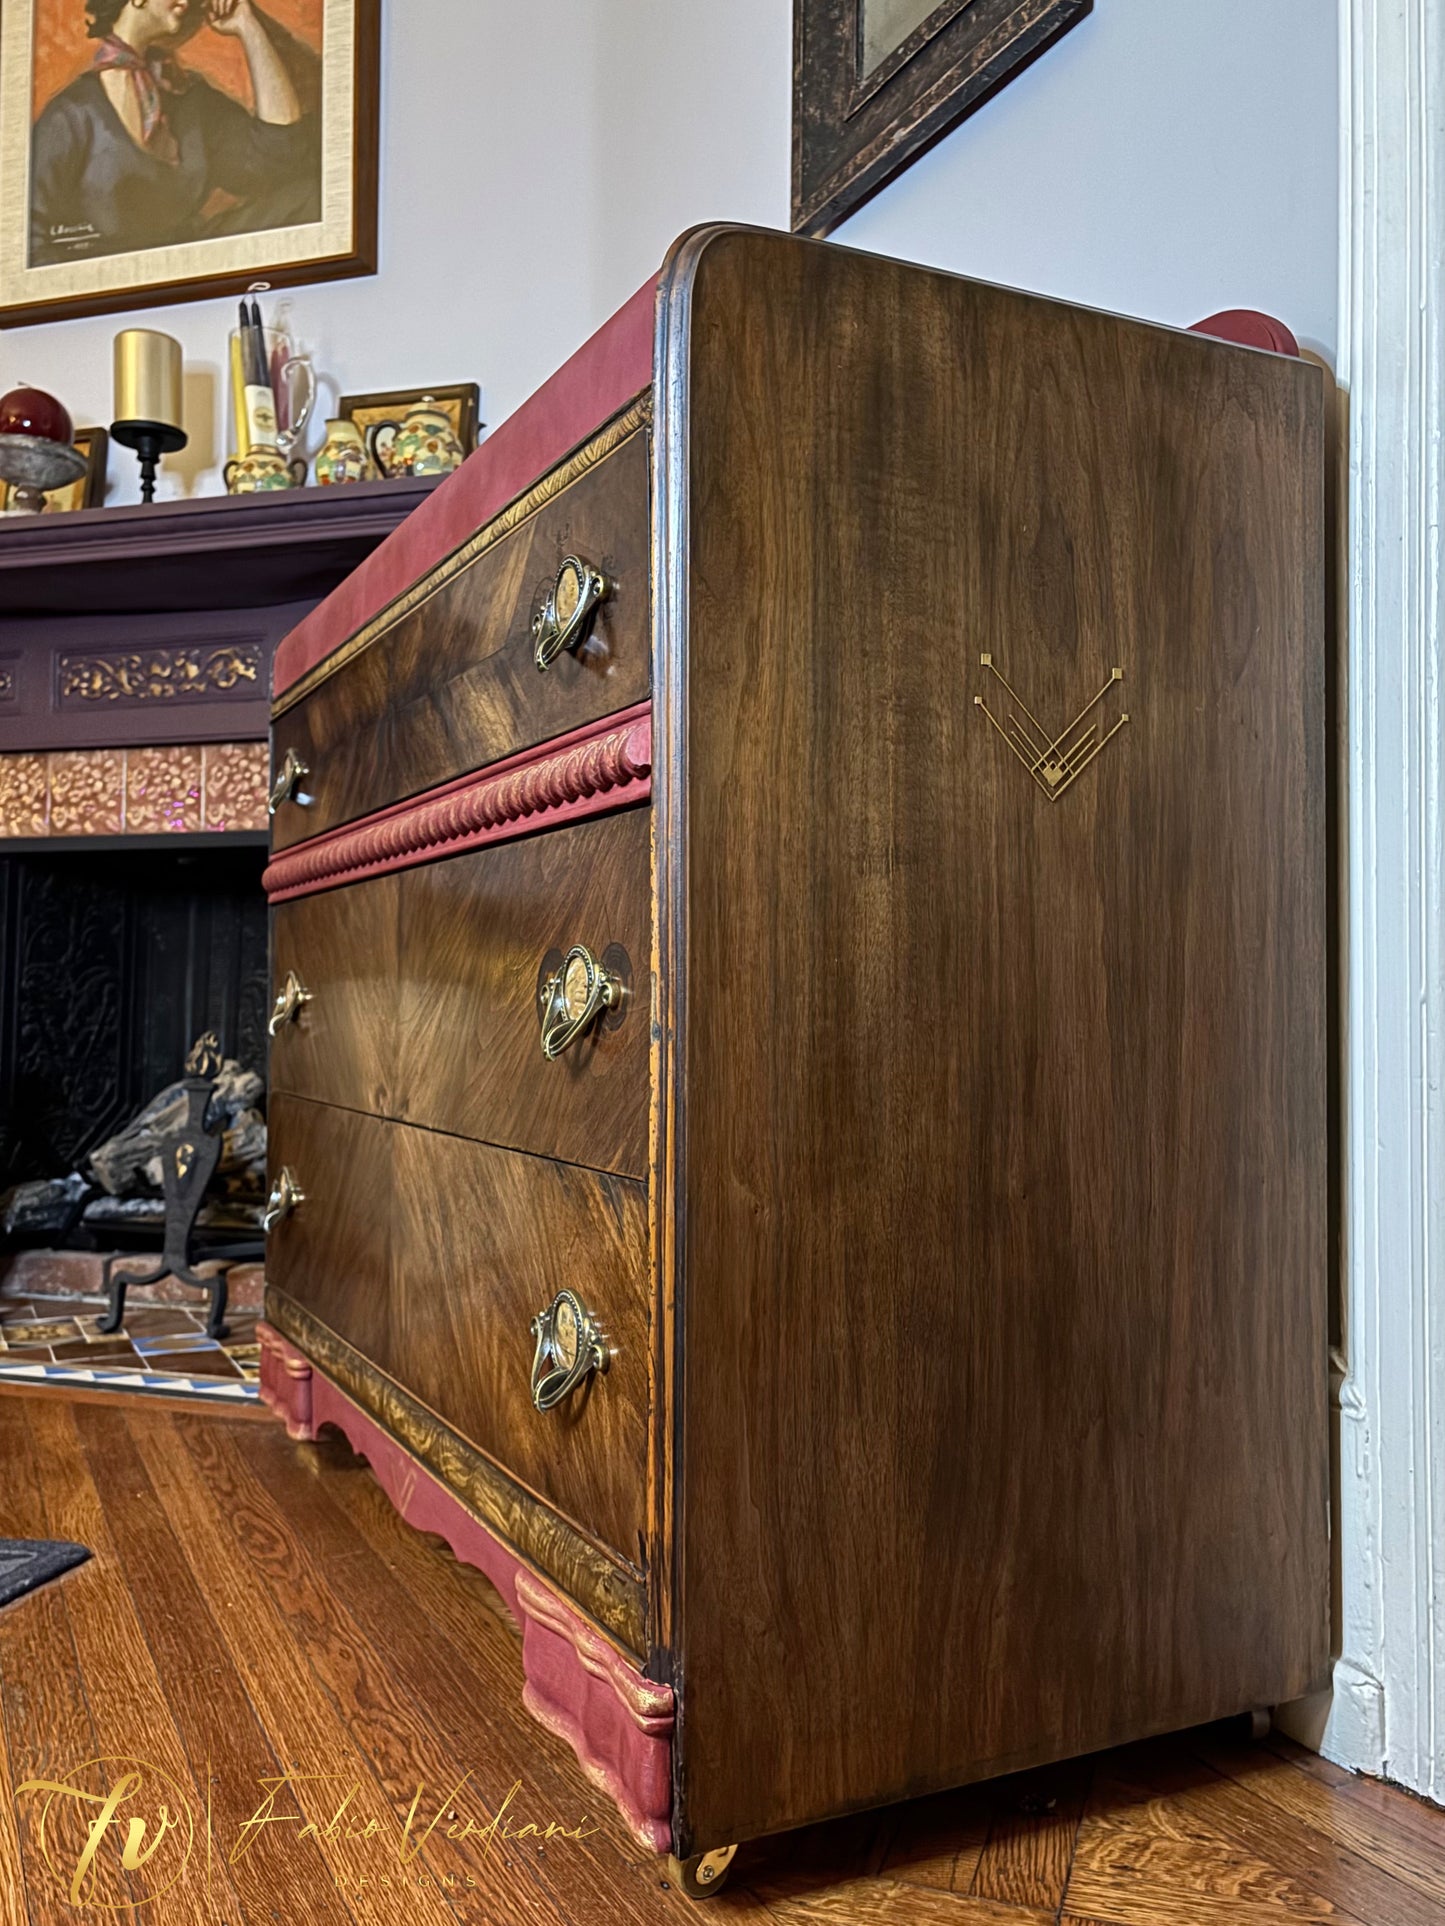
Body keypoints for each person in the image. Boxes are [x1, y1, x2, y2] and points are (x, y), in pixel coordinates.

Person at [29, 0, 319, 268]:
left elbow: (280, 156)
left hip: (190, 265)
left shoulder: (187, 95)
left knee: (309, 197)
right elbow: (31, 240)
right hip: (110, 280)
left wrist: (248, 26)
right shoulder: (71, 114)